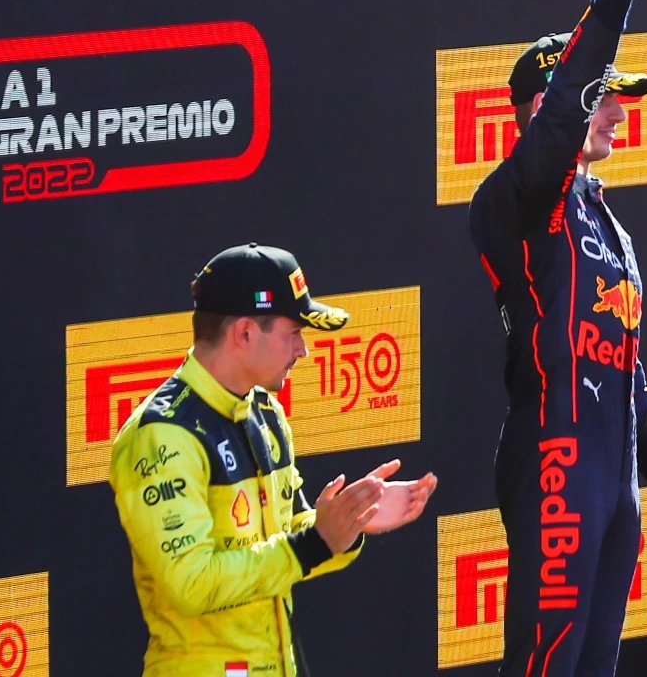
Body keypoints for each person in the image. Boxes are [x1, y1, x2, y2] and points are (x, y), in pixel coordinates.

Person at [468, 0, 647, 677]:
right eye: (605, 101)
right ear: (547, 108)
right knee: (549, 657)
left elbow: (626, 362)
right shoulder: (519, 195)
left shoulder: (606, 221)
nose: (615, 120)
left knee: (596, 661)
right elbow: (566, 114)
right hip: (555, 455)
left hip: (612, 470)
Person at [108, 243, 437, 677]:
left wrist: (349, 520)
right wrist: (314, 542)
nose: (302, 350)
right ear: (244, 333)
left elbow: (287, 539)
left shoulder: (265, 413)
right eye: (293, 333)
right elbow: (191, 582)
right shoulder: (163, 434)